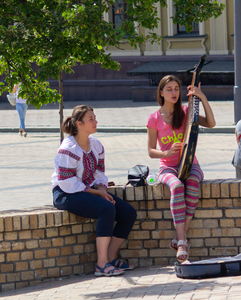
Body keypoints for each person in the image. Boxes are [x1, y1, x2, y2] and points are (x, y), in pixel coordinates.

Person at [51, 105, 137, 276]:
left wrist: (101, 189)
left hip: (88, 190)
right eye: (91, 119)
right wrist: (98, 193)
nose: (95, 121)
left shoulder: (96, 145)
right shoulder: (68, 148)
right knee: (106, 208)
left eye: (95, 118)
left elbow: (99, 173)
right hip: (65, 193)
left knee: (128, 213)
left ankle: (111, 258)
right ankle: (101, 264)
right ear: (79, 124)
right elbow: (67, 182)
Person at [146, 75, 216, 263]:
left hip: (191, 164)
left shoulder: (186, 112)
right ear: (161, 92)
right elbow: (151, 151)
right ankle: (183, 239)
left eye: (176, 88)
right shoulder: (154, 118)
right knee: (176, 187)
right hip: (167, 167)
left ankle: (180, 238)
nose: (174, 92)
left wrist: (202, 98)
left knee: (192, 183)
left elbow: (211, 123)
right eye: (169, 89)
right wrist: (166, 152)